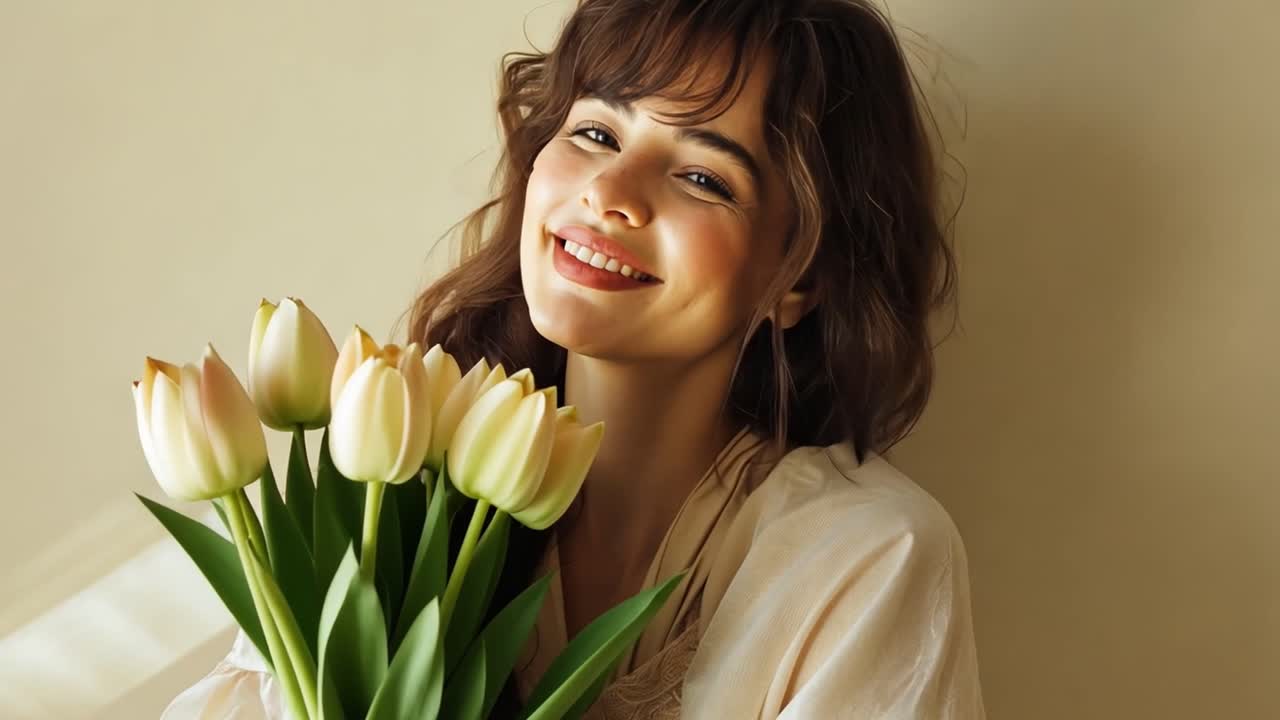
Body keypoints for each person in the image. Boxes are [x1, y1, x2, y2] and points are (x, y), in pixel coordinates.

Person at [164, 0, 986, 717]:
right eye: (595, 131)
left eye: (703, 178)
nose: (610, 194)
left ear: (796, 279)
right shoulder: (390, 487)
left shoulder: (862, 559)